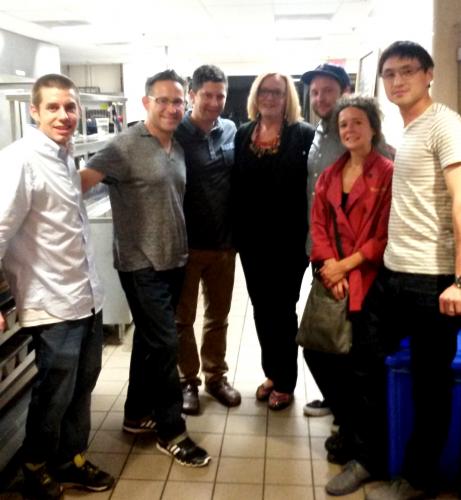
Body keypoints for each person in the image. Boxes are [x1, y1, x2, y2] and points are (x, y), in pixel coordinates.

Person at [326, 41, 461, 500]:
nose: (398, 80)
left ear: (429, 74)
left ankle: (419, 477)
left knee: (430, 384)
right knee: (360, 364)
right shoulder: (409, 133)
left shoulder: (446, 125)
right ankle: (371, 458)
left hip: (434, 280)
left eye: (407, 71)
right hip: (392, 276)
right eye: (390, 73)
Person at [79, 70, 210, 468]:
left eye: (177, 102)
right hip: (140, 263)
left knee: (151, 342)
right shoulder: (124, 145)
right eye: (163, 100)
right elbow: (78, 184)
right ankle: (172, 431)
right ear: (146, 103)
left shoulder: (177, 146)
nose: (172, 108)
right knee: (167, 342)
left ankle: (137, 414)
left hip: (173, 259)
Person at [0, 74, 114, 500]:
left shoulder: (65, 156)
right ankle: (35, 466)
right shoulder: (20, 161)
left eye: (69, 107)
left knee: (82, 386)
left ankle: (70, 460)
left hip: (85, 297)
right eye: (53, 107)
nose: (64, 116)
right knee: (54, 393)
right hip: (52, 304)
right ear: (34, 111)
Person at [305, 95, 393, 496]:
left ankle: (365, 452)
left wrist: (346, 265)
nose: (349, 130)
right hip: (333, 277)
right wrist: (328, 265)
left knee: (362, 366)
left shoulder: (388, 173)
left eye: (357, 122)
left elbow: (383, 235)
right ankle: (346, 422)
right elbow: (318, 224)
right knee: (318, 351)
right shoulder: (329, 175)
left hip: (371, 281)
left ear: (373, 127)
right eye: (343, 125)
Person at [233, 72, 315, 410]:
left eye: (277, 92)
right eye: (264, 91)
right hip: (252, 243)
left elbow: (314, 189)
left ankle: (286, 381)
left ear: (288, 98)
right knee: (262, 310)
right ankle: (272, 373)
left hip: (289, 243)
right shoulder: (242, 134)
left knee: (282, 311)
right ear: (255, 96)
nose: (270, 97)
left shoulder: (303, 135)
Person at [174, 65, 241, 415]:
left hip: (223, 245)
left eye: (221, 96)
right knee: (182, 319)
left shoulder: (230, 130)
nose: (215, 102)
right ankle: (188, 381)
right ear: (192, 94)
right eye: (208, 95)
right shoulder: (175, 132)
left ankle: (216, 375)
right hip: (184, 245)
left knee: (219, 316)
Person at [300, 63, 351, 421]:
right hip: (318, 249)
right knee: (328, 337)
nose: (320, 98)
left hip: (343, 256)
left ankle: (347, 415)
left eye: (328, 91)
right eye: (315, 92)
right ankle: (337, 402)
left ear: (344, 92)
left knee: (331, 338)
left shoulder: (352, 130)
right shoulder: (318, 133)